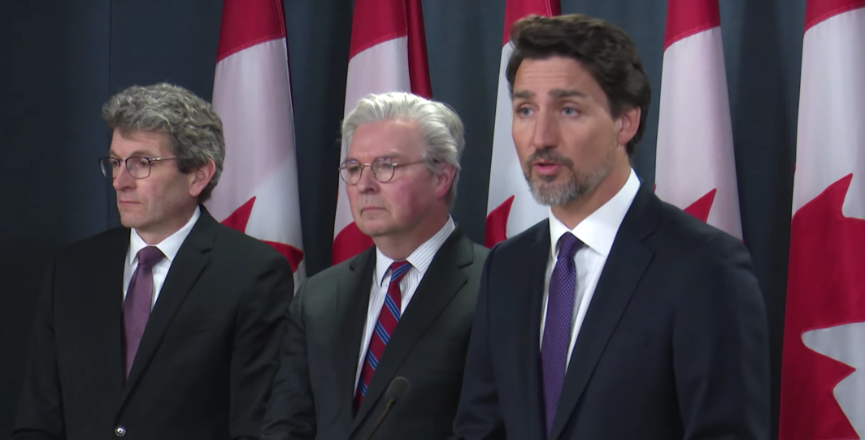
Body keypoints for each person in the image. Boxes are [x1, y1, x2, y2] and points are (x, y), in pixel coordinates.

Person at [452, 14, 770, 440]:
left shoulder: (705, 267)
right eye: (525, 110)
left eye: (568, 109)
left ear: (626, 122)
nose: (541, 136)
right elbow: (479, 429)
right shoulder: (506, 266)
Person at [11, 83, 294, 440]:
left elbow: (254, 426)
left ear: (198, 175)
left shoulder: (252, 274)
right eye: (115, 162)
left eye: (141, 163)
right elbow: (38, 420)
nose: (119, 181)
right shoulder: (71, 271)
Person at [260, 91, 488, 440]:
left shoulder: (493, 285)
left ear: (441, 177)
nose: (364, 185)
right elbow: (287, 424)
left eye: (386, 166)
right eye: (353, 168)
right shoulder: (318, 297)